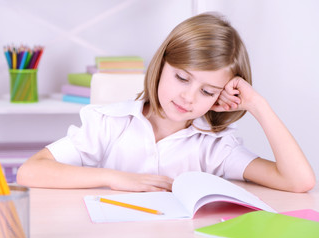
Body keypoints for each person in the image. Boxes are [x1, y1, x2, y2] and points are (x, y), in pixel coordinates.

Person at [16, 12, 315, 193]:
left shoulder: (216, 146)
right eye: (182, 78)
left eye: (208, 92)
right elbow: (29, 171)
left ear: (222, 96)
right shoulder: (108, 123)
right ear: (161, 66)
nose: (188, 97)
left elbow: (298, 182)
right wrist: (117, 178)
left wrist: (258, 106)